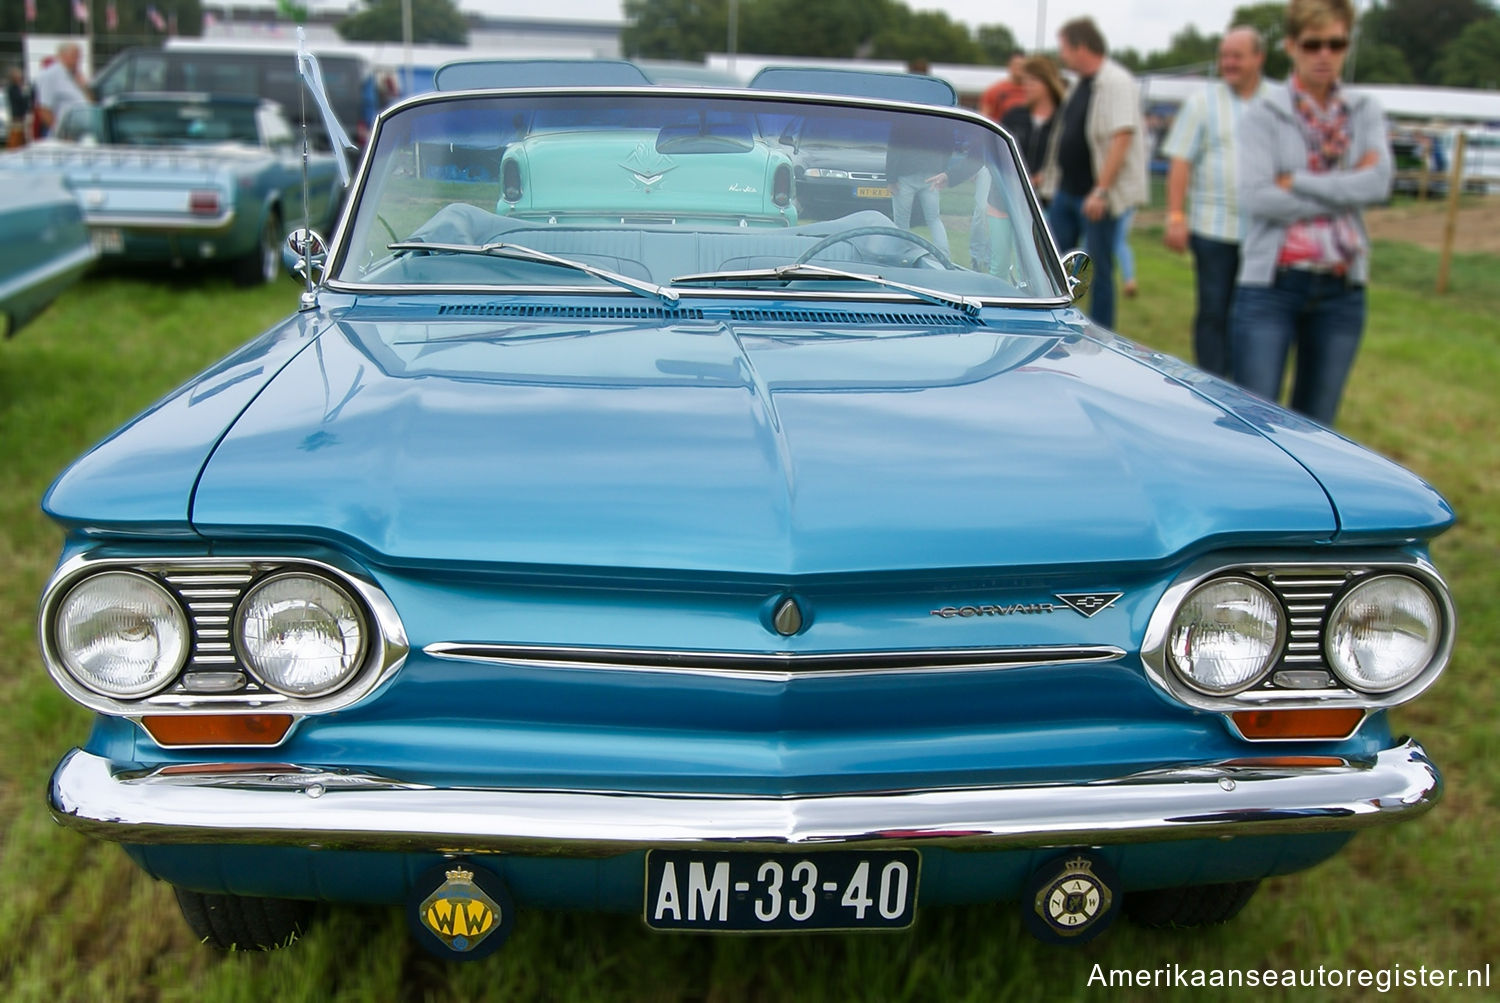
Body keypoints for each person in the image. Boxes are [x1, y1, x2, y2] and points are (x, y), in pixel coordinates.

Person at [1231, 0, 1390, 426]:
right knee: (1254, 421)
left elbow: (1379, 183)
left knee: (1317, 429)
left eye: (1335, 44)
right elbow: (1257, 197)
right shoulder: (1263, 114)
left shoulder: (1363, 111)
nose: (1324, 54)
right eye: (1313, 43)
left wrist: (1296, 181)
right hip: (1273, 286)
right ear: (1292, 46)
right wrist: (1346, 187)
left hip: (1341, 288)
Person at [1161, 26, 1268, 376]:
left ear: (1258, 58)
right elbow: (1180, 161)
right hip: (1213, 229)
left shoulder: (1280, 103)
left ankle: (1251, 388)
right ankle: (1215, 387)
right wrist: (1176, 215)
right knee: (1213, 311)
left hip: (1265, 232)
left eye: (1237, 56)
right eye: (1225, 56)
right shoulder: (1202, 104)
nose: (1229, 63)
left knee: (1253, 316)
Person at [1046, 17, 1148, 330]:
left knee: (1099, 269)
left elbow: (1122, 136)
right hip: (1068, 192)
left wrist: (1101, 189)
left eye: (1065, 48)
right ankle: (1051, 322)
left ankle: (1102, 336)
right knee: (1051, 265)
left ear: (1081, 47)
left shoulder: (1116, 82)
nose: (1062, 56)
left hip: (1096, 197)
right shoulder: (1081, 85)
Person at [886, 114, 954, 259]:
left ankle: (901, 257)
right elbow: (949, 145)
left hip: (905, 174)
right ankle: (945, 258)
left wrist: (891, 179)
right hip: (932, 173)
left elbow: (894, 147)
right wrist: (942, 169)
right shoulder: (940, 118)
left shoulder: (902, 117)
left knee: (902, 221)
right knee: (934, 219)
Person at [1000, 55, 1064, 201]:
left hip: (1050, 200)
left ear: (1049, 83)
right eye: (1025, 81)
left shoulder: (1065, 120)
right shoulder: (1014, 116)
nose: (1026, 87)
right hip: (1012, 198)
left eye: (1033, 81)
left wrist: (1043, 178)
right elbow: (996, 152)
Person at [33, 43, 90, 138]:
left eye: (79, 56)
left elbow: (89, 101)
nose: (78, 60)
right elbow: (44, 109)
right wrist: (61, 132)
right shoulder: (51, 75)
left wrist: (83, 86)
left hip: (81, 134)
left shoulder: (75, 76)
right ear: (63, 56)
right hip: (64, 137)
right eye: (75, 56)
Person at [979, 53, 1030, 124]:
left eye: (1022, 65)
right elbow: (984, 118)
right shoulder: (995, 90)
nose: (1019, 68)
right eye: (1017, 64)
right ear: (1009, 66)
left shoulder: (1031, 91)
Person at [5, 63, 29, 149]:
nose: (21, 78)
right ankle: (13, 151)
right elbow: (19, 100)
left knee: (22, 137)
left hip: (20, 116)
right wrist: (25, 94)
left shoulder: (17, 88)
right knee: (16, 136)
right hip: (17, 116)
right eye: (19, 76)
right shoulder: (13, 88)